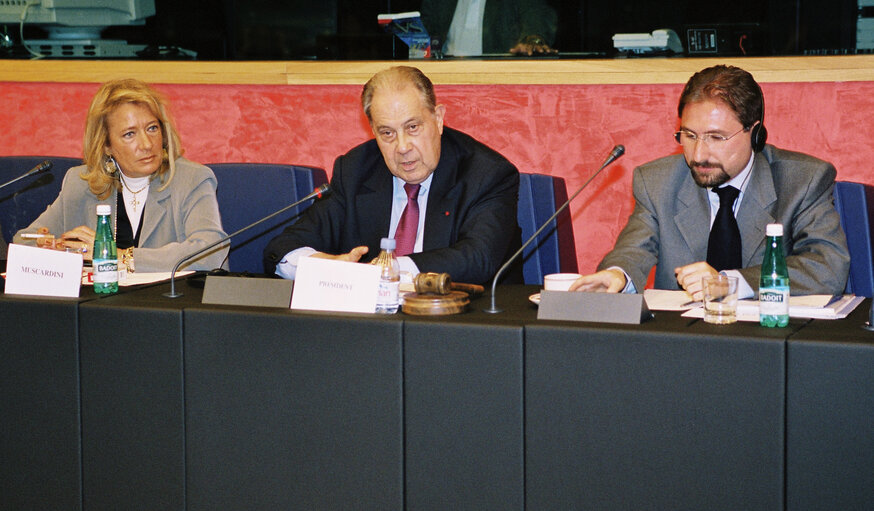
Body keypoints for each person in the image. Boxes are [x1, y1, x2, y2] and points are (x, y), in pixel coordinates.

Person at [570, 64, 849, 300]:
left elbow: (827, 268)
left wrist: (731, 283)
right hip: (683, 347)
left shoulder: (803, 180)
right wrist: (617, 274)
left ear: (755, 134)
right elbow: (633, 250)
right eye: (689, 136)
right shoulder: (657, 182)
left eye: (716, 137)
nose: (699, 154)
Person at [264, 65, 522, 286]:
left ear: (439, 119)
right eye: (387, 133)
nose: (402, 146)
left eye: (412, 127)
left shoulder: (486, 174)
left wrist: (391, 270)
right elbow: (283, 249)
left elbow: (479, 258)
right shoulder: (355, 170)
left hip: (460, 329)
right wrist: (324, 267)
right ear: (373, 131)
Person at [14, 78, 228, 272]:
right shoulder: (81, 183)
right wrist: (61, 248)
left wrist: (120, 256)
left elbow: (209, 251)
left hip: (169, 305)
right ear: (106, 144)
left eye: (152, 128)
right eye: (129, 134)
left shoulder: (192, 179)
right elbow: (24, 241)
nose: (146, 144)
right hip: (101, 305)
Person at [420, 0, 557, 57]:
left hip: (494, 78)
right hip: (445, 77)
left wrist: (534, 40)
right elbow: (423, 30)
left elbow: (535, 15)